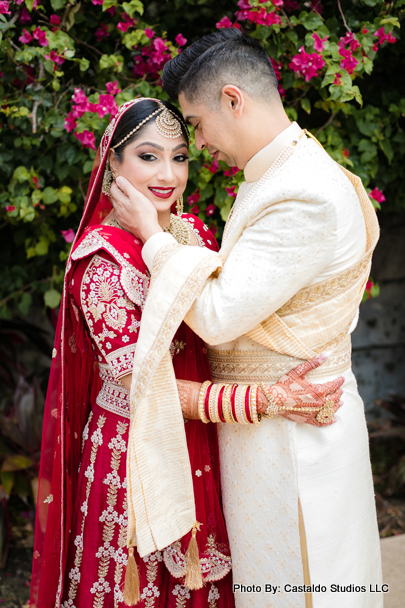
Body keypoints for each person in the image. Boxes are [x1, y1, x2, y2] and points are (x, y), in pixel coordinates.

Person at [30, 97, 342, 608]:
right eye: (149, 157)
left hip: (202, 438)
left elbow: (228, 320)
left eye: (179, 156)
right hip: (133, 452)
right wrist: (264, 400)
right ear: (113, 162)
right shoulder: (101, 262)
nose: (168, 174)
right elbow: (150, 392)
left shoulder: (189, 232)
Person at [110, 30, 383, 608]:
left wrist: (154, 239)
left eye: (196, 123)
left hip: (294, 438)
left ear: (233, 100)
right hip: (269, 426)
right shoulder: (279, 175)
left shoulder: (300, 191)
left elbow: (217, 314)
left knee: (308, 587)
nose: (198, 143)